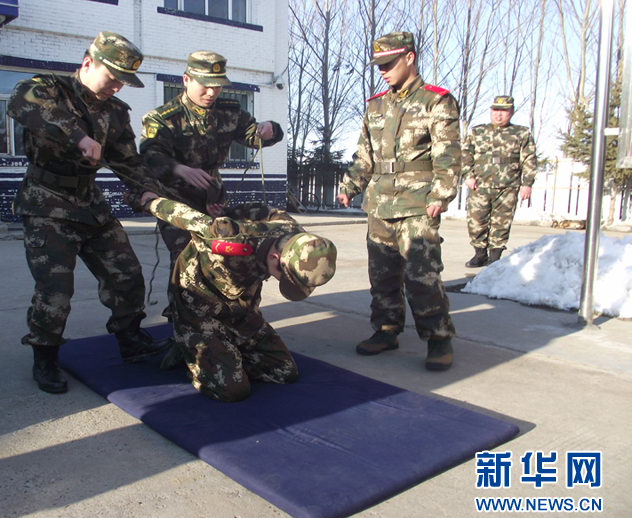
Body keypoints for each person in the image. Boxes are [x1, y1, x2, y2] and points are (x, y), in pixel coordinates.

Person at [7, 31, 173, 394]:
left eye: (123, 82)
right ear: (87, 64)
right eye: (112, 78)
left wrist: (149, 192)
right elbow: (21, 104)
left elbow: (128, 160)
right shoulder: (46, 90)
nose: (117, 87)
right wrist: (78, 137)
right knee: (55, 289)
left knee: (127, 274)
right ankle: (45, 356)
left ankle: (131, 342)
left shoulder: (115, 112)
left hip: (90, 204)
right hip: (46, 203)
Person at [132, 192, 336, 402]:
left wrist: (229, 210)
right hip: (199, 305)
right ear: (276, 258)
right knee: (232, 390)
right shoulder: (229, 236)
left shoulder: (296, 236)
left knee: (284, 372)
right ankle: (189, 346)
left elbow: (261, 210)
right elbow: (186, 216)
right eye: (285, 279)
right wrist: (147, 201)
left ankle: (223, 351)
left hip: (240, 307)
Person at [336, 31, 460, 371]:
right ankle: (387, 330)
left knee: (422, 274)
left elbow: (448, 154)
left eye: (389, 63)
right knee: (382, 274)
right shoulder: (375, 105)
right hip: (379, 202)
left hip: (418, 202)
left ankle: (438, 337)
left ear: (409, 57)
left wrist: (441, 195)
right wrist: (350, 185)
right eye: (379, 65)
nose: (384, 71)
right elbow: (365, 155)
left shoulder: (436, 101)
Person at [139, 50, 284, 268]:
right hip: (176, 201)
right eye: (205, 85)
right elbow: (150, 154)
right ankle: (180, 302)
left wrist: (271, 129)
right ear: (186, 80)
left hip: (212, 199)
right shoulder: (163, 118)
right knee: (186, 261)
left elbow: (254, 136)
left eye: (217, 86)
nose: (211, 92)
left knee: (219, 259)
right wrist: (178, 168)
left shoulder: (229, 113)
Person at [462, 95, 537, 267]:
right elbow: (465, 154)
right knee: (476, 220)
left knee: (501, 222)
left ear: (511, 112)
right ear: (491, 110)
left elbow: (529, 159)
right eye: (496, 110)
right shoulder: (477, 131)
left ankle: (495, 256)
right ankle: (479, 253)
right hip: (480, 184)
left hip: (508, 185)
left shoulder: (521, 133)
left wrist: (527, 183)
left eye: (504, 111)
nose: (499, 115)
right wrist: (468, 175)